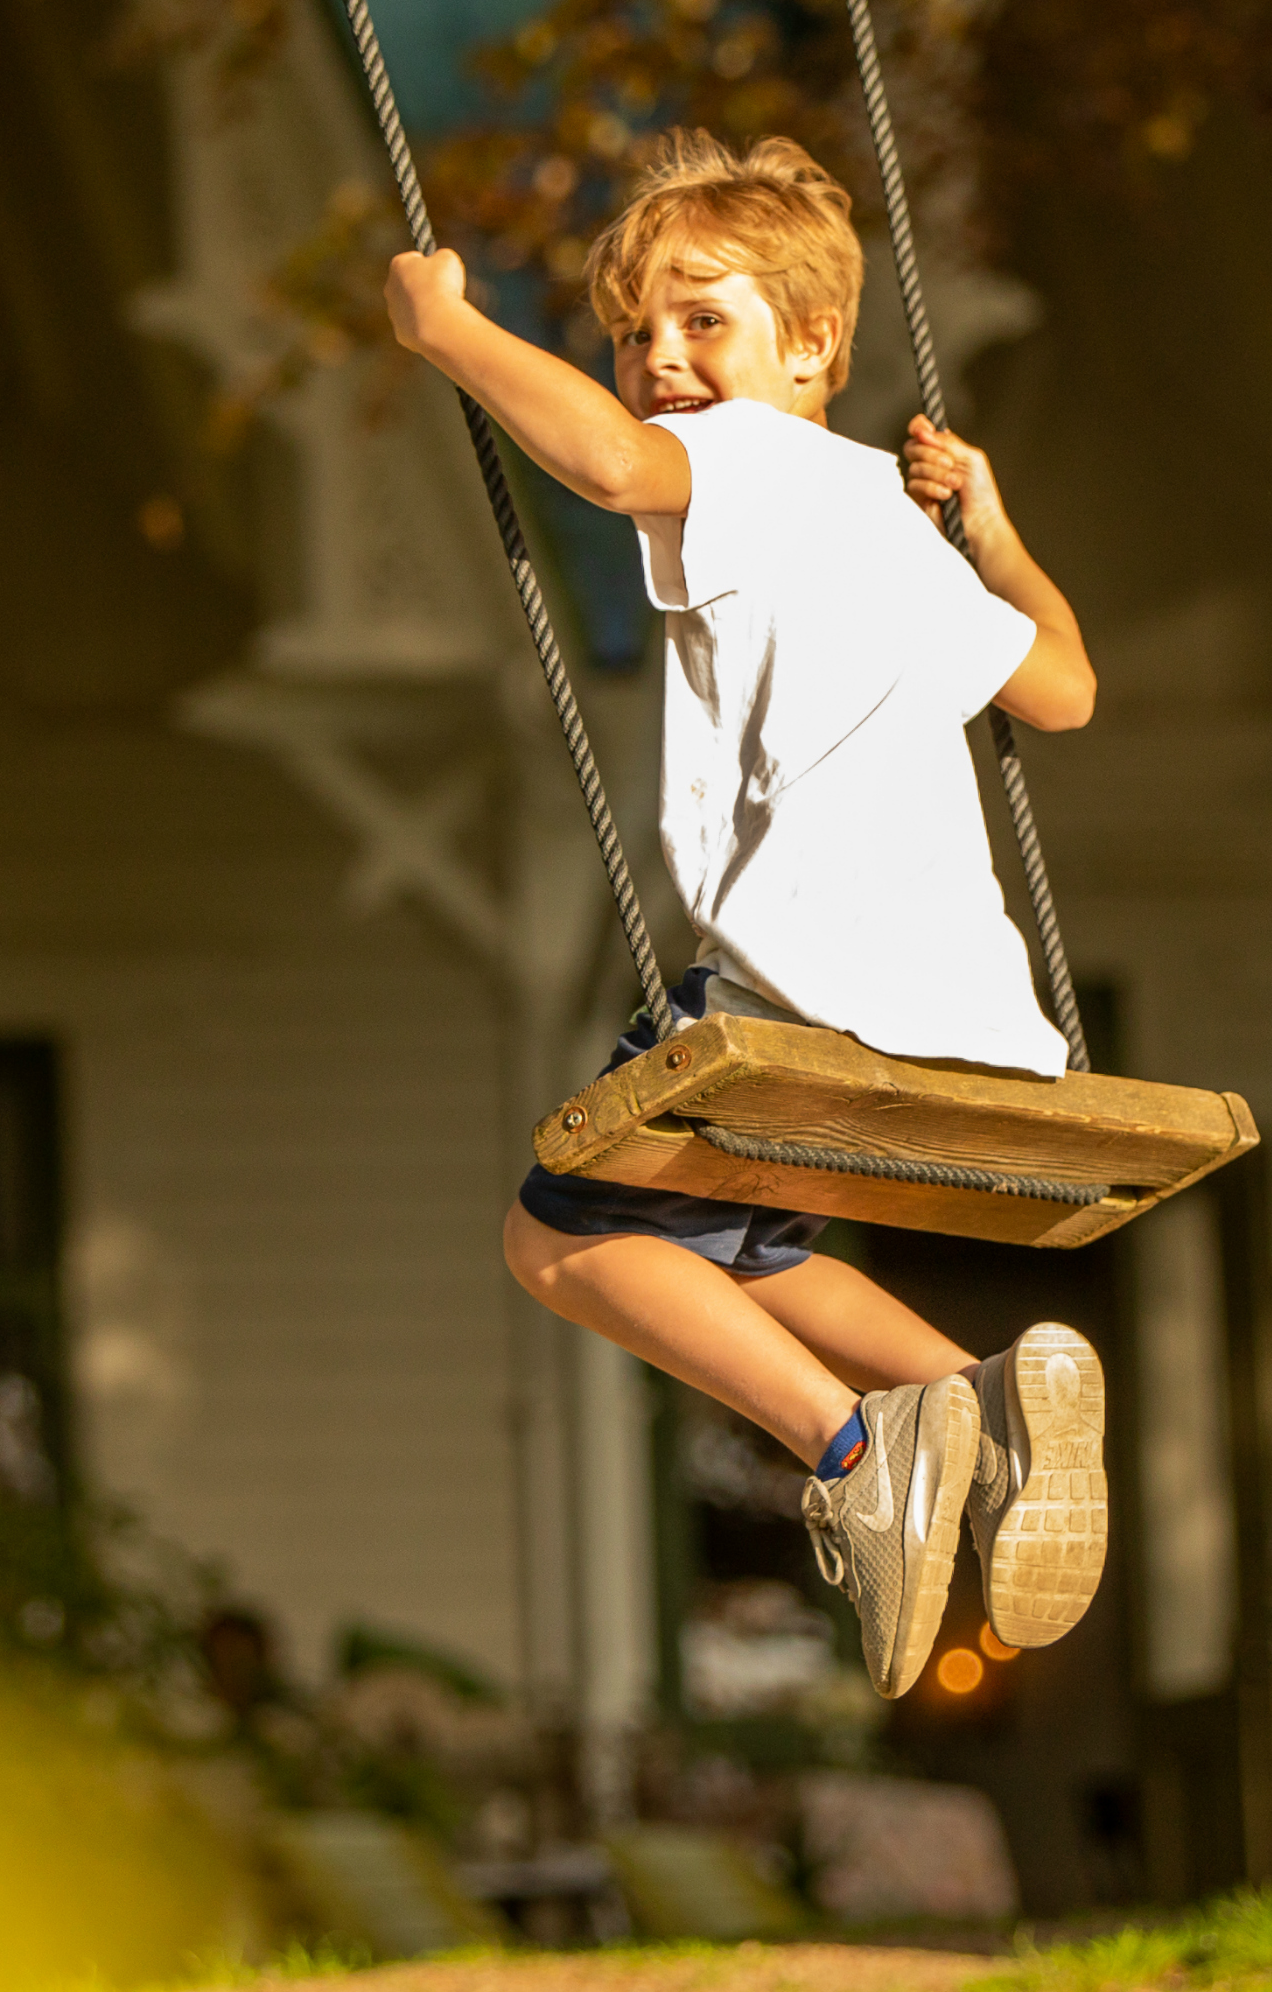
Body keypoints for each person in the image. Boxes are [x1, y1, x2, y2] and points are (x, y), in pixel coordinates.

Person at [382, 131, 1109, 1698]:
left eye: (703, 319)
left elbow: (605, 465)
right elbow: (1062, 686)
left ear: (812, 350)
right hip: (966, 1021)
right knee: (751, 1257)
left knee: (557, 1234)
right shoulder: (892, 527)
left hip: (793, 986)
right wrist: (991, 525)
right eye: (637, 335)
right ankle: (982, 1391)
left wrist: (451, 332)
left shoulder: (761, 468)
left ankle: (856, 1451)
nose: (660, 361)